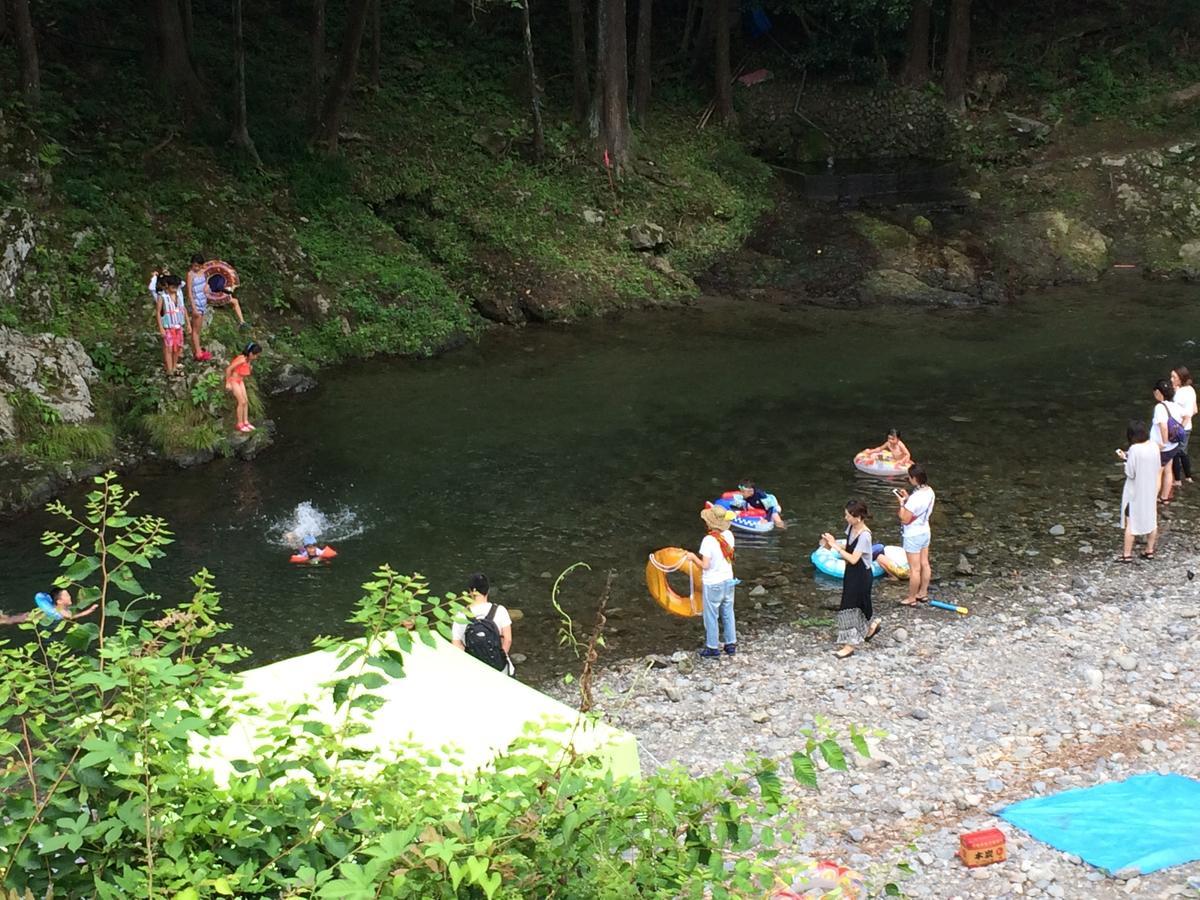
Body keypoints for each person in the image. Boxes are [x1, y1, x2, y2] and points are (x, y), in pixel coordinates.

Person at [821, 499, 880, 659]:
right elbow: (848, 548)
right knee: (861, 605)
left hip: (861, 574)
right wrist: (828, 544)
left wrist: (835, 546)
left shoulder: (865, 536)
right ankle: (870, 628)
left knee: (850, 606)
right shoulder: (851, 528)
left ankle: (849, 646)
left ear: (858, 517)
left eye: (848, 515)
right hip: (851, 573)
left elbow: (854, 559)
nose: (846, 518)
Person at [688, 506, 738, 658]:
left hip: (713, 583)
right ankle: (730, 644)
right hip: (728, 580)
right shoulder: (729, 535)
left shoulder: (708, 541)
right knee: (728, 612)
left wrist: (692, 557)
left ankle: (712, 647)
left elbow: (705, 565)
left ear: (709, 523)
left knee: (711, 615)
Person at [451, 573, 514, 675]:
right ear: (488, 590)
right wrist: (498, 657)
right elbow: (508, 639)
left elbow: (456, 644)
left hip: (473, 670)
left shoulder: (461, 615)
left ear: (470, 591)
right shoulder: (500, 610)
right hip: (499, 668)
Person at [1116, 420, 1159, 562]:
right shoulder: (1154, 446)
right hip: (1151, 489)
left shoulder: (1134, 449)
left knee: (1131, 522)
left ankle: (1127, 555)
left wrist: (1125, 459)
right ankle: (1149, 551)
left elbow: (1130, 473)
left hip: (1135, 492)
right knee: (1152, 520)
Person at [896, 463, 935, 606]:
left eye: (910, 477)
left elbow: (904, 518)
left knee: (914, 569)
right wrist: (908, 498)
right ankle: (923, 593)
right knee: (925, 563)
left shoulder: (915, 498)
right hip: (925, 531)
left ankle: (911, 597)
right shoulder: (930, 491)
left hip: (913, 535)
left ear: (914, 478)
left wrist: (901, 503)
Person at [1150, 378, 1184, 504]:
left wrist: (1163, 443)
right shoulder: (1175, 405)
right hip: (1173, 445)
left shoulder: (1160, 407)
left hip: (1163, 447)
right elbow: (1187, 416)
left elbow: (1163, 426)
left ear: (1159, 392)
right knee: (1168, 470)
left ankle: (1153, 500)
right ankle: (1165, 498)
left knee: (1158, 473)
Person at [152, 273, 190, 376]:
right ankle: (169, 369)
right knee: (168, 348)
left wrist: (188, 323)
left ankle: (174, 366)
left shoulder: (179, 296)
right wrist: (161, 328)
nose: (175, 288)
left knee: (177, 347)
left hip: (179, 325)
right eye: (173, 286)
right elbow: (158, 313)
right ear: (167, 286)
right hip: (168, 326)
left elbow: (184, 309)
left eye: (176, 287)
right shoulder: (162, 297)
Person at [0, 587, 98, 625]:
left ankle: (3, 617)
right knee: (13, 620)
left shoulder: (58, 607)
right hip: (39, 617)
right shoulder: (63, 612)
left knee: (17, 617)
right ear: (59, 601)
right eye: (67, 596)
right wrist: (90, 610)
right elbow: (73, 617)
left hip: (40, 614)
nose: (70, 596)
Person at [224, 342, 261, 433]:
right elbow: (229, 369)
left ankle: (246, 421)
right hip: (234, 380)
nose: (256, 357)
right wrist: (228, 383)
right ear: (251, 353)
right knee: (241, 402)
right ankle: (239, 424)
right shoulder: (242, 359)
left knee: (246, 401)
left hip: (240, 381)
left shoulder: (248, 361)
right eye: (256, 355)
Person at [185, 255, 215, 362]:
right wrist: (194, 308)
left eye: (197, 266)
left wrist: (208, 288)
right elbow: (189, 292)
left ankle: (197, 350)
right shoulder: (190, 275)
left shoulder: (203, 272)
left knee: (199, 329)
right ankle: (198, 353)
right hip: (196, 303)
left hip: (203, 302)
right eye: (194, 265)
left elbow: (206, 285)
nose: (195, 268)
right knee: (195, 330)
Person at [1170, 366, 1196, 488]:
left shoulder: (1180, 394)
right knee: (1183, 452)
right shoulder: (1191, 390)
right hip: (1188, 427)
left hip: (1180, 427)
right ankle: (1188, 477)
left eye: (1174, 377)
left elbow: (1174, 411)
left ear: (1180, 379)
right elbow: (1195, 410)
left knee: (1175, 453)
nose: (1171, 379)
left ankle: (1177, 480)